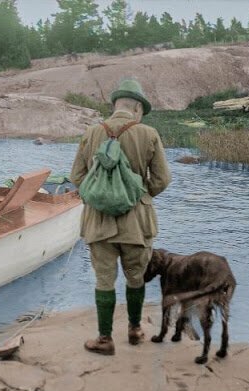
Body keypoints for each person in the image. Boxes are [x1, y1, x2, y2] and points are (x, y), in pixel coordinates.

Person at [70, 79, 171, 356]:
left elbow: (76, 177)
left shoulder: (91, 133)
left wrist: (100, 196)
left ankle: (105, 339)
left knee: (104, 280)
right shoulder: (148, 134)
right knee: (135, 277)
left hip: (98, 222)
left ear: (115, 105)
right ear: (137, 108)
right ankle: (135, 330)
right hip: (136, 223)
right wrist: (139, 194)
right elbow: (163, 179)